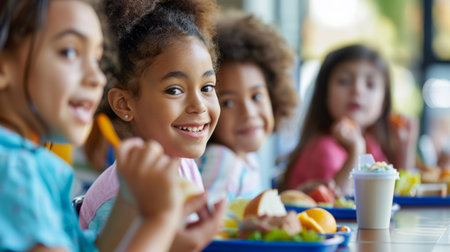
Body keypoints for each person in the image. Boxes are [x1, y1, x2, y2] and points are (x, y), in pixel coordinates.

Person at [0, 0, 184, 251]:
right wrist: (159, 219)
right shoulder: (15, 169)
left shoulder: (27, 164)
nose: (97, 77)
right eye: (70, 52)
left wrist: (128, 202)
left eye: (97, 59)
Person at [78, 0, 226, 251]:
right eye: (174, 90)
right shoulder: (118, 198)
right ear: (124, 104)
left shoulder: (184, 166)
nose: (199, 106)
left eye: (206, 88)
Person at [282, 44, 418, 195]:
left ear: (383, 104)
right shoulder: (323, 148)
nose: (357, 89)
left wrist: (405, 148)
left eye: (370, 84)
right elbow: (336, 203)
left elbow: (391, 193)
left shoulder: (371, 144)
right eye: (344, 81)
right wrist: (355, 151)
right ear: (324, 94)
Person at [196, 12, 298, 202]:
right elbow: (205, 223)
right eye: (228, 102)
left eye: (256, 96)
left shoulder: (245, 159)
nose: (248, 113)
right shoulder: (222, 161)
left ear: (273, 96)